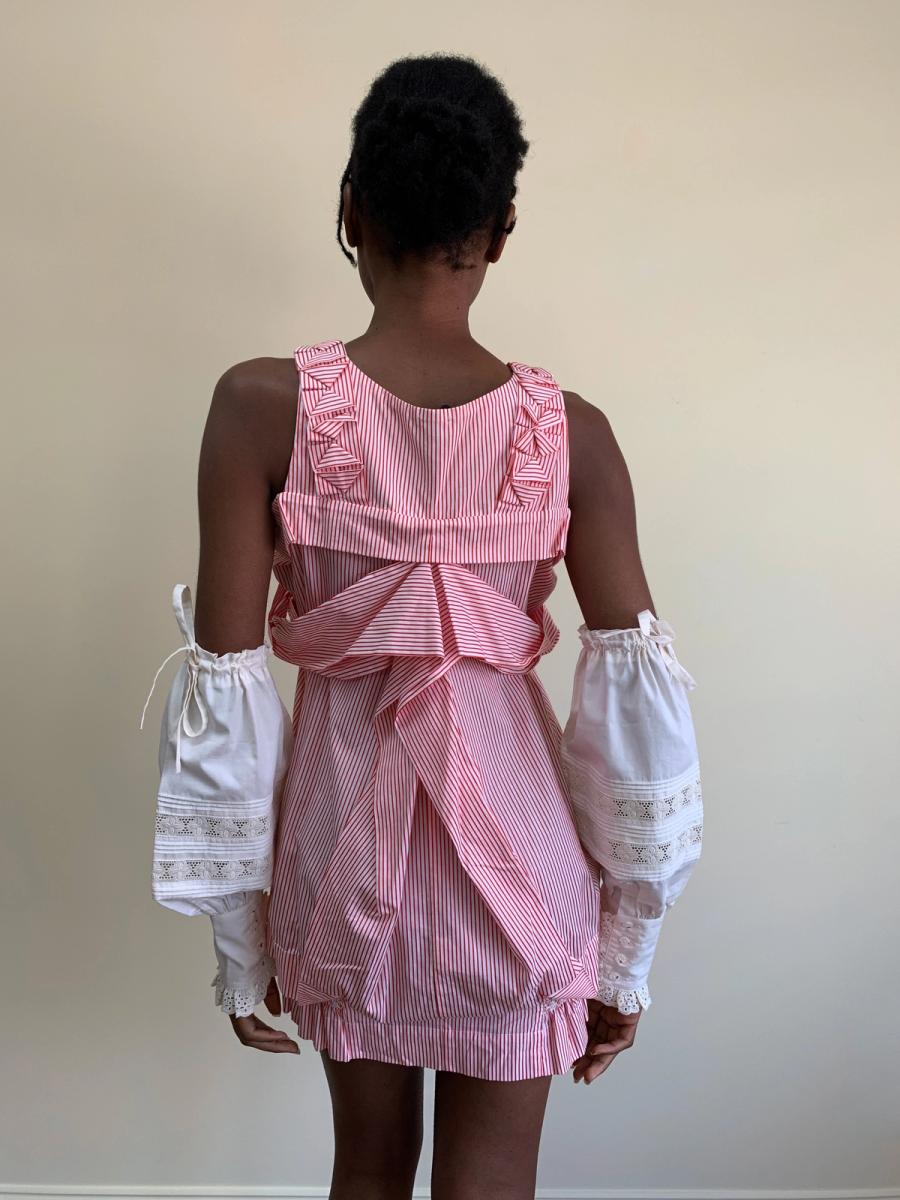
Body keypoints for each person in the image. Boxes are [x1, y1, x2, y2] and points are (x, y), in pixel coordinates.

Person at [139, 52, 703, 1200]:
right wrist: (626, 955)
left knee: (368, 1166)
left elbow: (226, 687)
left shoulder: (258, 407)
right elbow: (638, 724)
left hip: (340, 864)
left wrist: (241, 942)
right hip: (521, 873)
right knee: (491, 1177)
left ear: (351, 211)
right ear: (501, 230)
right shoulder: (574, 434)